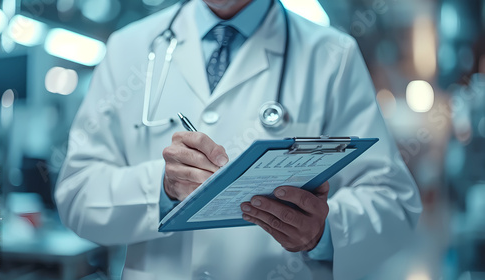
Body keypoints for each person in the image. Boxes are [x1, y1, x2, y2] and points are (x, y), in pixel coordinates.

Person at [55, 0, 422, 279]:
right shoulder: (128, 49)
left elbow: (394, 202)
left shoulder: (331, 56)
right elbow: (76, 193)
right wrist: (162, 189)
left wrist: (324, 232)